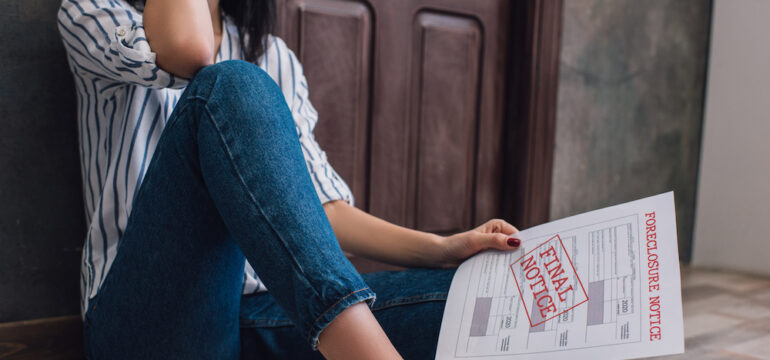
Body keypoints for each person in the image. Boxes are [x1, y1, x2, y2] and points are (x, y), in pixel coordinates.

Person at [57, 0, 521, 358]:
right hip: (151, 317)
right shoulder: (95, 13)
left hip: (266, 313)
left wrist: (440, 249)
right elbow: (189, 50)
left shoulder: (271, 53)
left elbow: (322, 208)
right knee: (232, 87)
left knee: (481, 302)